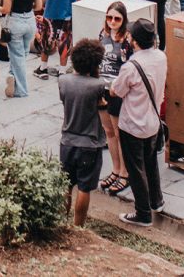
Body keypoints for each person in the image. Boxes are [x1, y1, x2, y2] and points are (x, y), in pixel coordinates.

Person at [111, 19, 167, 227]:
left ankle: (143, 212)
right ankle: (156, 200)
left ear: (133, 41)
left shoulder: (131, 66)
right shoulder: (161, 57)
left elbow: (117, 91)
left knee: (135, 169)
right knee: (151, 163)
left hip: (132, 124)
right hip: (153, 121)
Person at [59, 38, 108, 227]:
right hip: (90, 143)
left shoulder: (63, 81)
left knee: (66, 184)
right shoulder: (97, 85)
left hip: (67, 140)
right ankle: (78, 225)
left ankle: (61, 219)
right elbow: (100, 105)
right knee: (84, 188)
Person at [98, 1, 133, 196]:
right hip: (102, 87)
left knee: (119, 134)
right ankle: (115, 168)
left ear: (123, 19)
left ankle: (124, 173)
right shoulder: (102, 34)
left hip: (117, 90)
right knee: (108, 131)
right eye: (109, 17)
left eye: (117, 18)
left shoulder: (127, 39)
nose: (112, 22)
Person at [1, 0, 42, 99]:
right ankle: (13, 75)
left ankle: (21, 89)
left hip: (16, 20)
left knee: (16, 54)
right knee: (22, 53)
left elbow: (6, 9)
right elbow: (38, 6)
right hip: (30, 20)